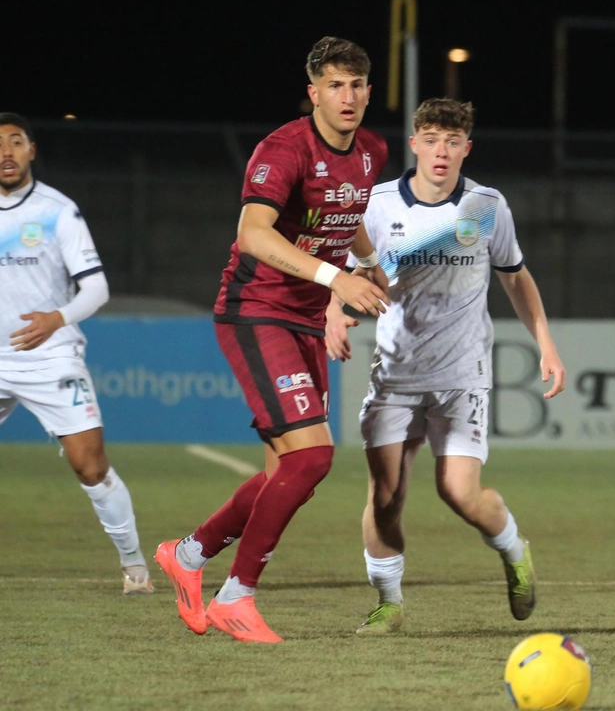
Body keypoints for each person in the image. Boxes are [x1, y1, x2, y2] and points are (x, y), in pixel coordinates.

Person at [154, 37, 390, 643]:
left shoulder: (371, 151)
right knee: (312, 457)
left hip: (307, 318)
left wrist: (369, 261)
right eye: (335, 85)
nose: (349, 97)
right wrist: (340, 277)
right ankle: (237, 597)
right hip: (255, 310)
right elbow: (255, 234)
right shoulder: (283, 148)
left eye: (358, 85)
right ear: (313, 93)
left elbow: (349, 210)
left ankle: (187, 554)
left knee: (288, 471)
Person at [328, 98, 565, 635]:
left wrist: (546, 343)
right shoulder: (379, 204)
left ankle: (513, 549)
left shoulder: (485, 206)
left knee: (458, 492)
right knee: (385, 496)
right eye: (431, 139)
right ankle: (389, 602)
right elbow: (339, 268)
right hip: (395, 373)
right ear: (414, 144)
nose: (441, 151)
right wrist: (332, 317)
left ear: (467, 149)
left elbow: (516, 277)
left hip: (462, 375)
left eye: (453, 141)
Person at [0, 112, 152, 595]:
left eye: (15, 142)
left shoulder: (57, 211)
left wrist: (55, 319)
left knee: (90, 465)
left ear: (31, 151)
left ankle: (135, 567)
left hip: (52, 357)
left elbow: (97, 289)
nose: (5, 152)